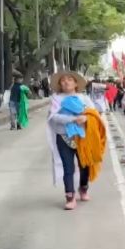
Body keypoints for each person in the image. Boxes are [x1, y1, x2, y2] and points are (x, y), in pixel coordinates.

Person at [47, 71, 96, 210]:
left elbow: (94, 114)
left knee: (84, 165)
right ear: (59, 84)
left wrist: (86, 118)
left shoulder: (84, 98)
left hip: (82, 138)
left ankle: (83, 188)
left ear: (76, 83)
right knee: (68, 168)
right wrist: (73, 119)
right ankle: (70, 197)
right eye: (62, 80)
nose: (66, 82)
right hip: (63, 137)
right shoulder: (56, 99)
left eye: (69, 79)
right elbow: (53, 117)